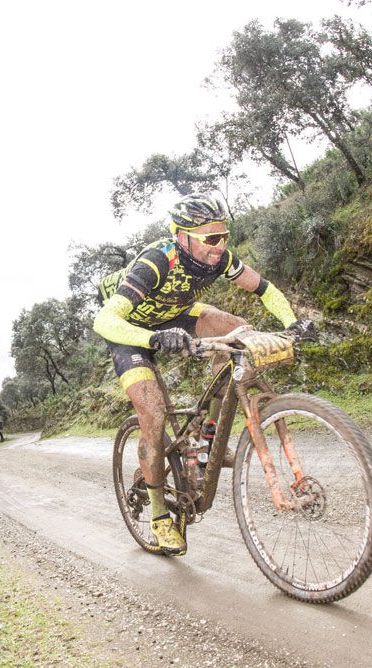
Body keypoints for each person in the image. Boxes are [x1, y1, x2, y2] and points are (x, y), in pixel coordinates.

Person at [92, 194, 313, 556]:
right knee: (154, 413)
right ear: (182, 236)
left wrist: (292, 323)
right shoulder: (156, 262)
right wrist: (153, 338)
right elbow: (104, 320)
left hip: (175, 314)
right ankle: (160, 517)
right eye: (211, 239)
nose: (219, 246)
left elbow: (265, 289)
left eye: (224, 236)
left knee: (239, 330)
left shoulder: (219, 259)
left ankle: (205, 435)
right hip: (130, 330)